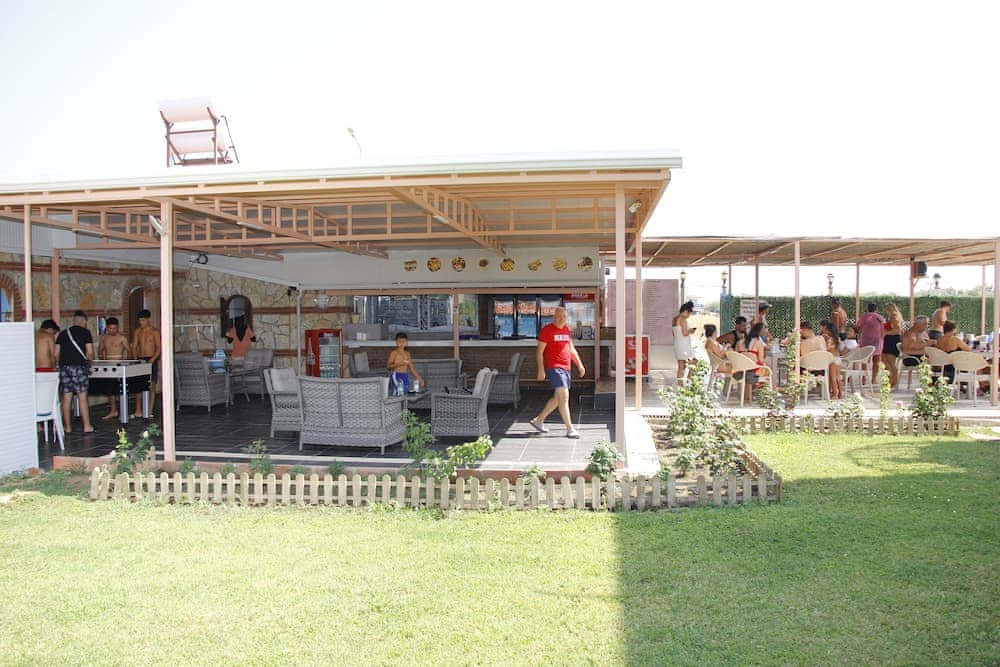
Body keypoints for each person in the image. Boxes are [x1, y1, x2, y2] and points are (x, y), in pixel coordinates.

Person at [530, 306, 586, 438]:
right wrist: (541, 369)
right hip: (554, 368)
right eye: (559, 317)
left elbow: (571, 349)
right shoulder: (547, 330)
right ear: (554, 317)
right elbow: (539, 351)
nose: (562, 319)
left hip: (566, 368)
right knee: (564, 397)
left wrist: (579, 364)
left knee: (557, 398)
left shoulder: (566, 330)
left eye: (564, 317)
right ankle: (570, 429)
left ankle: (539, 420)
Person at [55, 310, 95, 434]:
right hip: (79, 367)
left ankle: (67, 427)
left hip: (64, 368)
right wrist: (89, 363)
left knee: (66, 398)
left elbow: (56, 354)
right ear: (84, 321)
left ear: (74, 320)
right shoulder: (85, 333)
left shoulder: (63, 334)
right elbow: (90, 352)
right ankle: (87, 426)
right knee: (82, 397)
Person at [98, 316, 131, 420]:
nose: (113, 330)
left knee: (121, 389)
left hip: (119, 364)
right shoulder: (104, 338)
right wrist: (102, 361)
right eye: (111, 328)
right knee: (110, 389)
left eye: (115, 328)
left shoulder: (122, 338)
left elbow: (129, 351)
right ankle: (113, 410)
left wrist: (127, 363)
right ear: (107, 328)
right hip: (108, 364)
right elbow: (100, 351)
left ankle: (123, 412)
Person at [131, 309, 161, 419]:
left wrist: (153, 359)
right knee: (138, 386)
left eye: (143, 320)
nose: (141, 323)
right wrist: (135, 359)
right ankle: (138, 410)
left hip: (151, 358)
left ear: (148, 320)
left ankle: (149, 410)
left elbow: (159, 347)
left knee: (151, 385)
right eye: (140, 321)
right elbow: (134, 346)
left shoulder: (154, 332)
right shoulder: (137, 331)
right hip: (140, 359)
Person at [881, 303, 905, 388]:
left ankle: (894, 381)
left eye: (886, 309)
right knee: (885, 361)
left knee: (891, 362)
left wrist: (885, 333)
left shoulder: (894, 317)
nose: (885, 311)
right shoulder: (892, 317)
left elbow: (898, 330)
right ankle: (889, 379)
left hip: (892, 340)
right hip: (888, 340)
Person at [671, 300, 696, 381]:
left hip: (677, 344)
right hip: (683, 345)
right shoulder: (683, 320)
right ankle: (689, 380)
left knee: (681, 366)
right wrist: (690, 331)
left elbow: (674, 333)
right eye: (689, 313)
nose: (689, 316)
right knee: (694, 362)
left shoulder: (674, 319)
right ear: (685, 311)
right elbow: (685, 333)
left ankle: (680, 384)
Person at [820, 320, 844, 399]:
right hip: (838, 358)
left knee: (832, 377)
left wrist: (825, 347)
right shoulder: (837, 338)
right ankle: (840, 393)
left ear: (829, 330)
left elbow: (828, 348)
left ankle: (835, 394)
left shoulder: (830, 338)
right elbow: (840, 348)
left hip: (832, 359)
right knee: (838, 377)